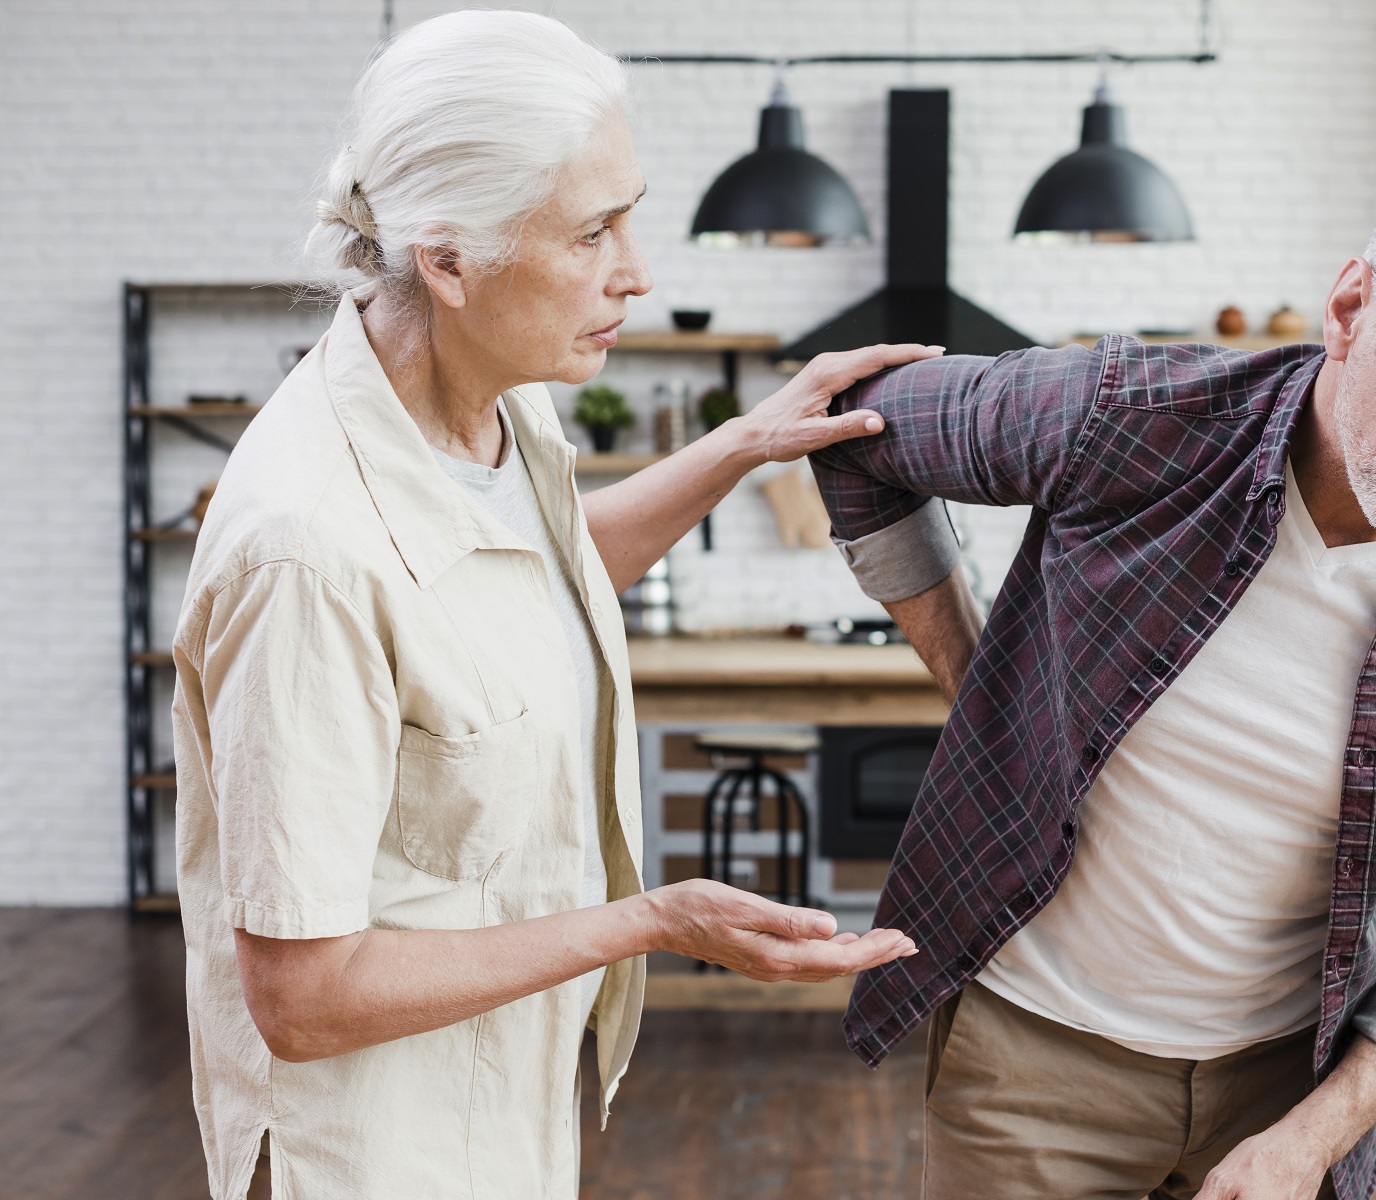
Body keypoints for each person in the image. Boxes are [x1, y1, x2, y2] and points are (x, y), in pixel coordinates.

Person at [170, 12, 927, 1199]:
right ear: (448, 261)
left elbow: (534, 573)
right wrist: (648, 922)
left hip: (498, 1113)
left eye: (630, 214)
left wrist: (743, 444)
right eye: (591, 232)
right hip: (368, 1156)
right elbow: (302, 1000)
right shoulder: (304, 553)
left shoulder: (496, 404)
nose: (637, 270)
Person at [809, 163, 1376, 1200]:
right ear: (1351, 309)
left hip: (1289, 1087)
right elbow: (852, 425)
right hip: (1031, 1062)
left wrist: (1312, 1138)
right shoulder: (1131, 415)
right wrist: (978, 688)